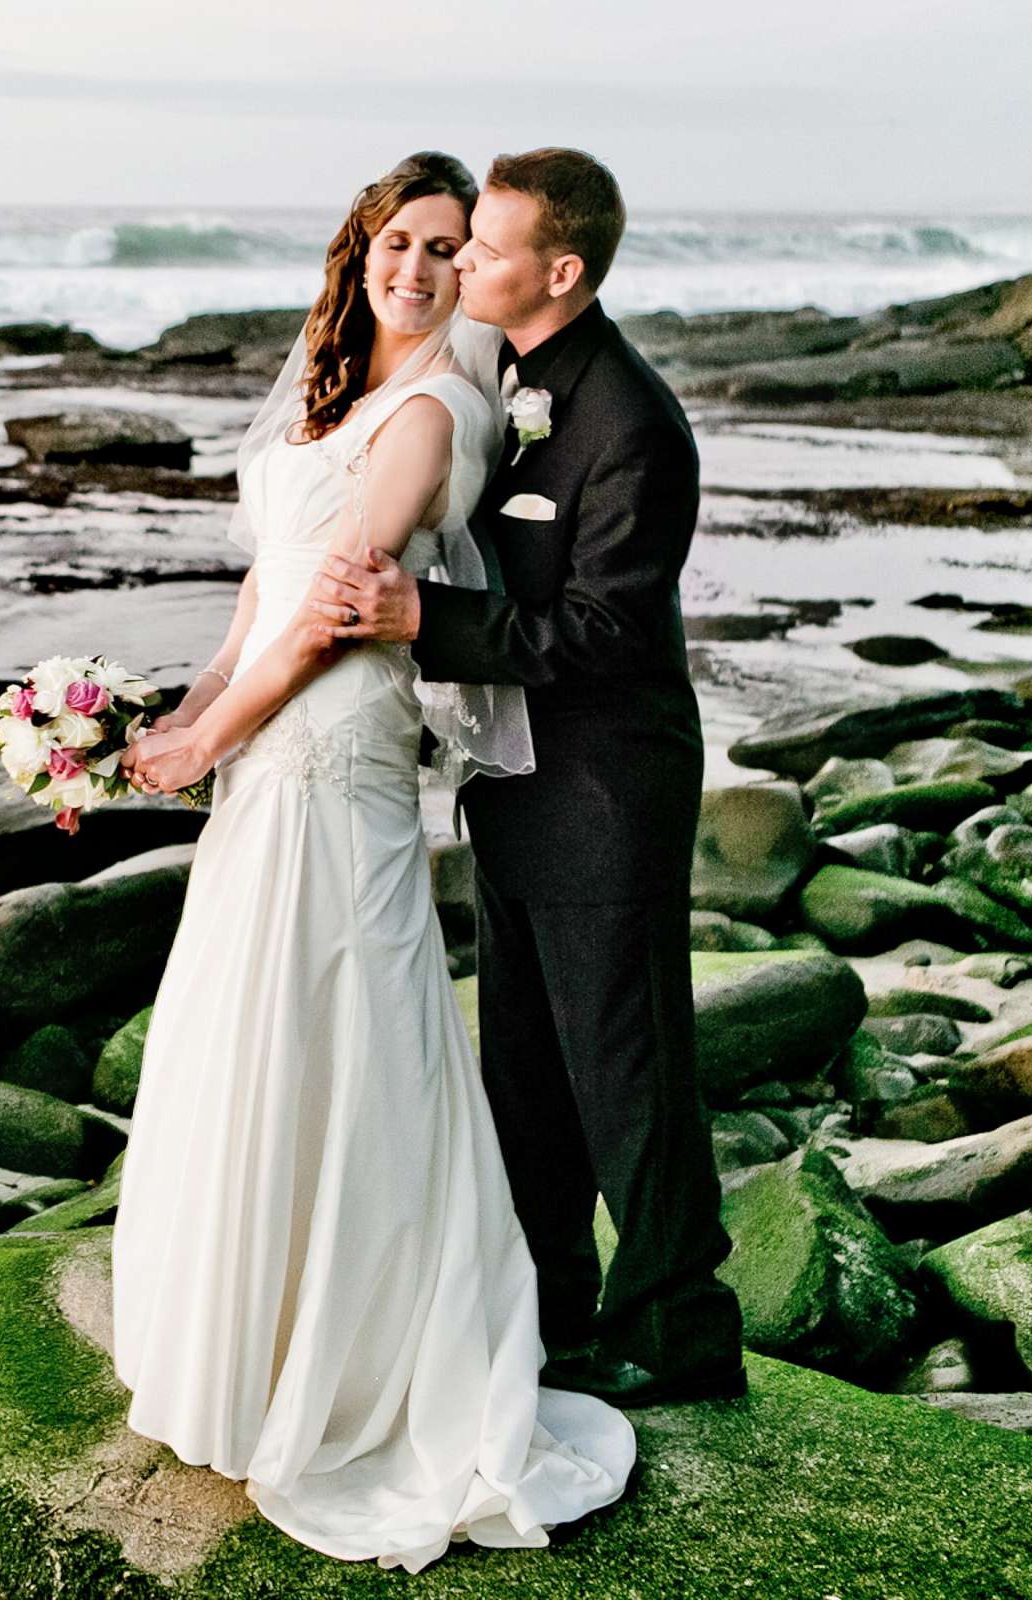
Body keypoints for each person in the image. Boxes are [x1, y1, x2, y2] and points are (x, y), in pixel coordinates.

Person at [110, 152, 636, 1575]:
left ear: (473, 272)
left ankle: (355, 1368)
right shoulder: (329, 391)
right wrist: (182, 705)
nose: (416, 267)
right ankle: (242, 1338)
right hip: (268, 740)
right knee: (250, 1027)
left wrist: (214, 733)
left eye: (448, 249)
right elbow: (265, 581)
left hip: (334, 747)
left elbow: (338, 612)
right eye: (398, 239)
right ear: (360, 247)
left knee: (342, 1024)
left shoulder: (430, 410)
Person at [307, 147, 747, 1407]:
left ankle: (679, 1330)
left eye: (481, 251)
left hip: (605, 791)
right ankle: (547, 1308)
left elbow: (608, 633)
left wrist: (418, 622)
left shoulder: (632, 423)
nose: (458, 267)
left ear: (559, 271)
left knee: (631, 1072)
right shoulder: (499, 380)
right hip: (509, 783)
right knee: (527, 1077)